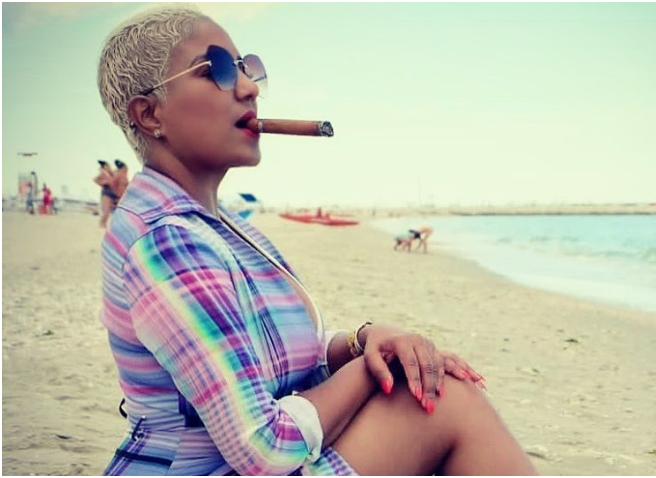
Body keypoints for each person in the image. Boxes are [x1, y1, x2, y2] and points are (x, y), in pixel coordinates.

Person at [97, 6, 535, 476]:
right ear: (150, 114)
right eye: (217, 70)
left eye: (247, 68)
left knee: (436, 390)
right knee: (447, 402)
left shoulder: (216, 225)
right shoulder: (167, 241)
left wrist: (363, 342)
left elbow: (272, 356)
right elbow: (265, 449)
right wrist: (369, 369)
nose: (248, 88)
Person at [94, 160, 118, 227]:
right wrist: (104, 183)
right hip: (106, 192)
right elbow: (95, 179)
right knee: (106, 212)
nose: (109, 166)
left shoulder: (111, 172)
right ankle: (102, 225)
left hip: (113, 192)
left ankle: (104, 225)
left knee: (112, 211)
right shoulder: (103, 172)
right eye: (107, 165)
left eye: (108, 165)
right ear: (104, 166)